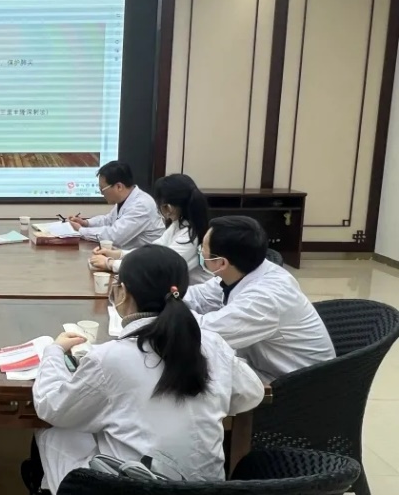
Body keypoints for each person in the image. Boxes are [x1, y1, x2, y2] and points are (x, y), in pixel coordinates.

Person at [27, 245, 264, 493]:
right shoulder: (212, 343)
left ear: (123, 292)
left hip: (135, 487)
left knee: (56, 433)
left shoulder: (111, 357)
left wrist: (53, 352)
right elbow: (252, 393)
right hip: (207, 488)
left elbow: (53, 408)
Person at [186, 216, 335, 382]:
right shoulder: (242, 269)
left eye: (203, 249)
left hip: (297, 383)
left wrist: (169, 308)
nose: (201, 252)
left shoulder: (264, 298)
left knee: (191, 376)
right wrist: (168, 296)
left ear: (221, 263)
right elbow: (199, 296)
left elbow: (204, 332)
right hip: (265, 365)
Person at [89, 174, 213, 285]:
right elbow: (152, 252)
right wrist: (118, 254)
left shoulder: (189, 235)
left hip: (193, 296)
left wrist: (110, 263)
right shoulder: (179, 224)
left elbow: (157, 267)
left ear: (168, 208)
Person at [68, 161, 165, 250]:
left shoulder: (141, 205)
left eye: (102, 189)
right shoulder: (126, 199)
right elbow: (109, 220)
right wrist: (86, 223)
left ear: (119, 186)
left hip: (149, 258)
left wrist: (81, 230)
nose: (101, 193)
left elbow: (114, 237)